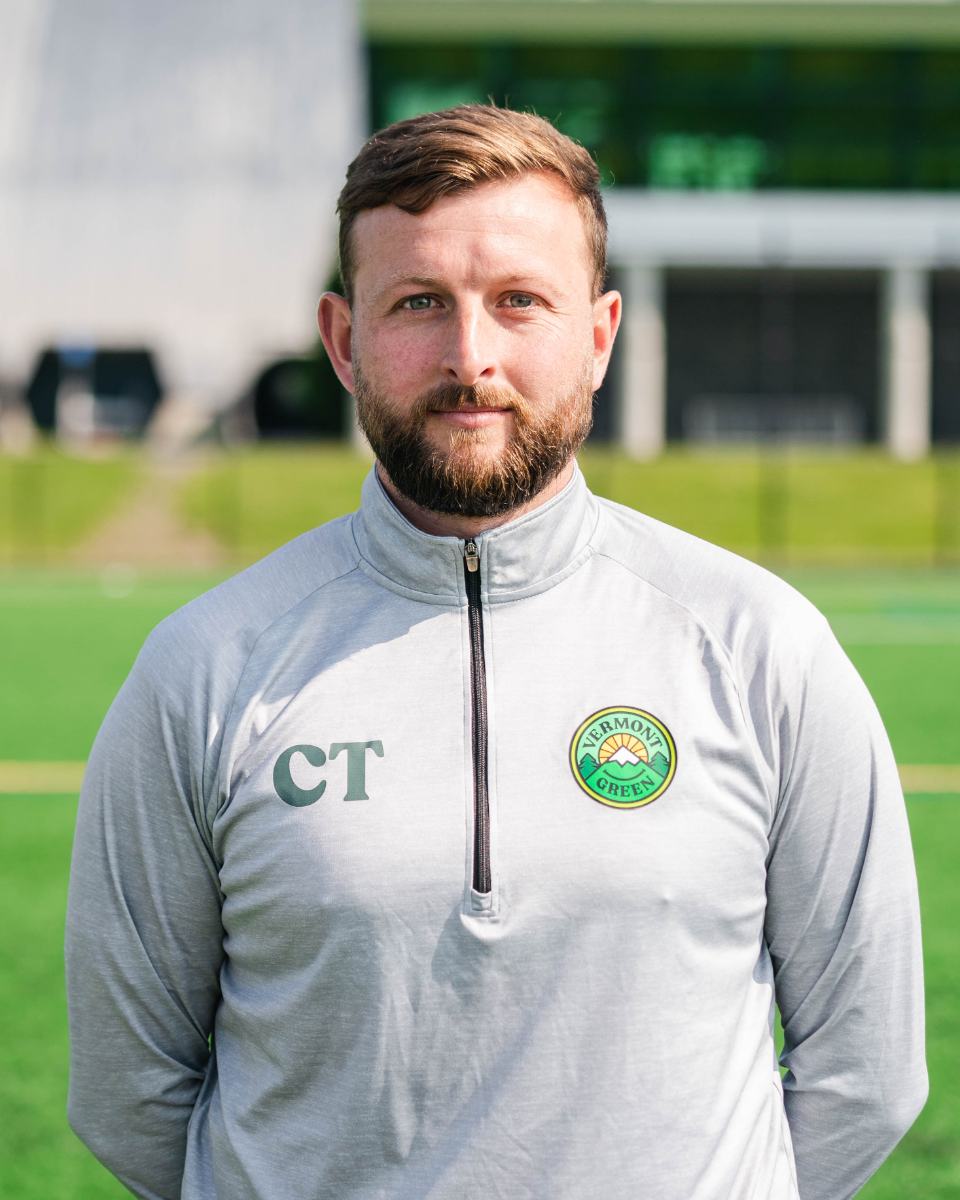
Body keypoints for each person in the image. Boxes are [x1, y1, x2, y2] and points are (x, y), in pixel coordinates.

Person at [66, 105, 926, 1200]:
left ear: (600, 335)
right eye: (419, 303)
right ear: (342, 340)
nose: (471, 357)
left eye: (520, 300)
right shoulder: (206, 668)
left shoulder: (761, 648)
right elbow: (126, 1089)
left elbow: (869, 1071)